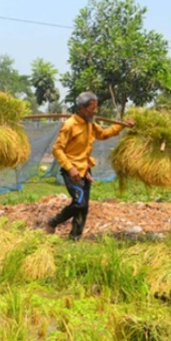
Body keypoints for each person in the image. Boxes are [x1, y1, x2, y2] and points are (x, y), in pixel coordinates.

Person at [46, 92, 133, 240]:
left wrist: (122, 125)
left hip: (85, 169)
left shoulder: (90, 123)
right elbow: (57, 149)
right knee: (79, 203)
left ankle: (74, 238)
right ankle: (53, 222)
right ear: (82, 108)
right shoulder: (69, 125)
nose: (95, 111)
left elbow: (104, 134)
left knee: (83, 207)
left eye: (95, 108)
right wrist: (70, 168)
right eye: (92, 108)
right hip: (72, 171)